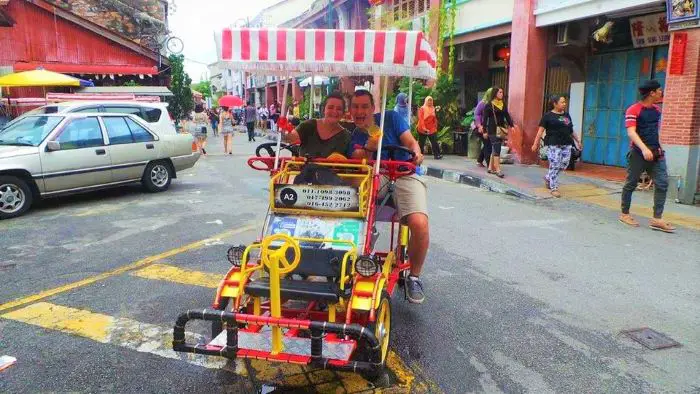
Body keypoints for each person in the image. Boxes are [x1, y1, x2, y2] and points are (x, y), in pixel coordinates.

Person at [349, 90, 429, 304]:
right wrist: (368, 147)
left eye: (364, 106)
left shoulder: (391, 119)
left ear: (373, 108)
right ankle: (361, 252)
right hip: (376, 173)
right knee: (355, 210)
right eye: (355, 106)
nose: (360, 111)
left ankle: (414, 276)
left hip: (404, 172)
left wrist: (417, 153)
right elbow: (357, 158)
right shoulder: (354, 133)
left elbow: (410, 142)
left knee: (419, 223)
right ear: (350, 111)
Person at [619, 80, 675, 233]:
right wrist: (644, 149)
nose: (660, 92)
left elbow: (654, 131)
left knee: (662, 183)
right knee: (631, 183)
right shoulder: (633, 110)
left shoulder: (657, 110)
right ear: (652, 93)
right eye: (659, 90)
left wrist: (657, 147)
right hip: (638, 152)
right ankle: (624, 214)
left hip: (656, 152)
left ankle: (657, 218)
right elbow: (631, 132)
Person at [531, 95, 582, 198]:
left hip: (566, 143)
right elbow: (540, 131)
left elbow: (570, 130)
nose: (564, 104)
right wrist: (535, 143)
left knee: (564, 163)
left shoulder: (566, 116)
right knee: (555, 164)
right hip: (553, 144)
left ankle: (548, 177)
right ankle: (554, 187)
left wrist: (578, 141)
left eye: (565, 102)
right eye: (562, 102)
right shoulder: (548, 116)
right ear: (555, 104)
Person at [282, 91, 350, 158]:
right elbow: (289, 138)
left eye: (339, 109)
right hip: (304, 168)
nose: (334, 111)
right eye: (330, 107)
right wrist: (284, 127)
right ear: (324, 109)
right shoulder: (309, 125)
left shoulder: (346, 136)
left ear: (343, 113)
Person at [483, 87, 513, 178]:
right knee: (497, 149)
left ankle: (490, 168)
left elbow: (507, 115)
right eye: (500, 92)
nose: (502, 94)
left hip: (501, 129)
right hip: (492, 130)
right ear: (495, 93)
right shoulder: (489, 105)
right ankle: (498, 169)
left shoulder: (503, 104)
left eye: (502, 92)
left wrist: (512, 125)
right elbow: (485, 120)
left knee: (495, 148)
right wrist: (484, 131)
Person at [474, 88, 493, 168]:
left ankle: (479, 161)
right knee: (488, 145)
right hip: (481, 128)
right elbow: (476, 114)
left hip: (490, 128)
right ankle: (489, 165)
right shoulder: (483, 103)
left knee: (487, 144)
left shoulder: (494, 103)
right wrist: (480, 125)